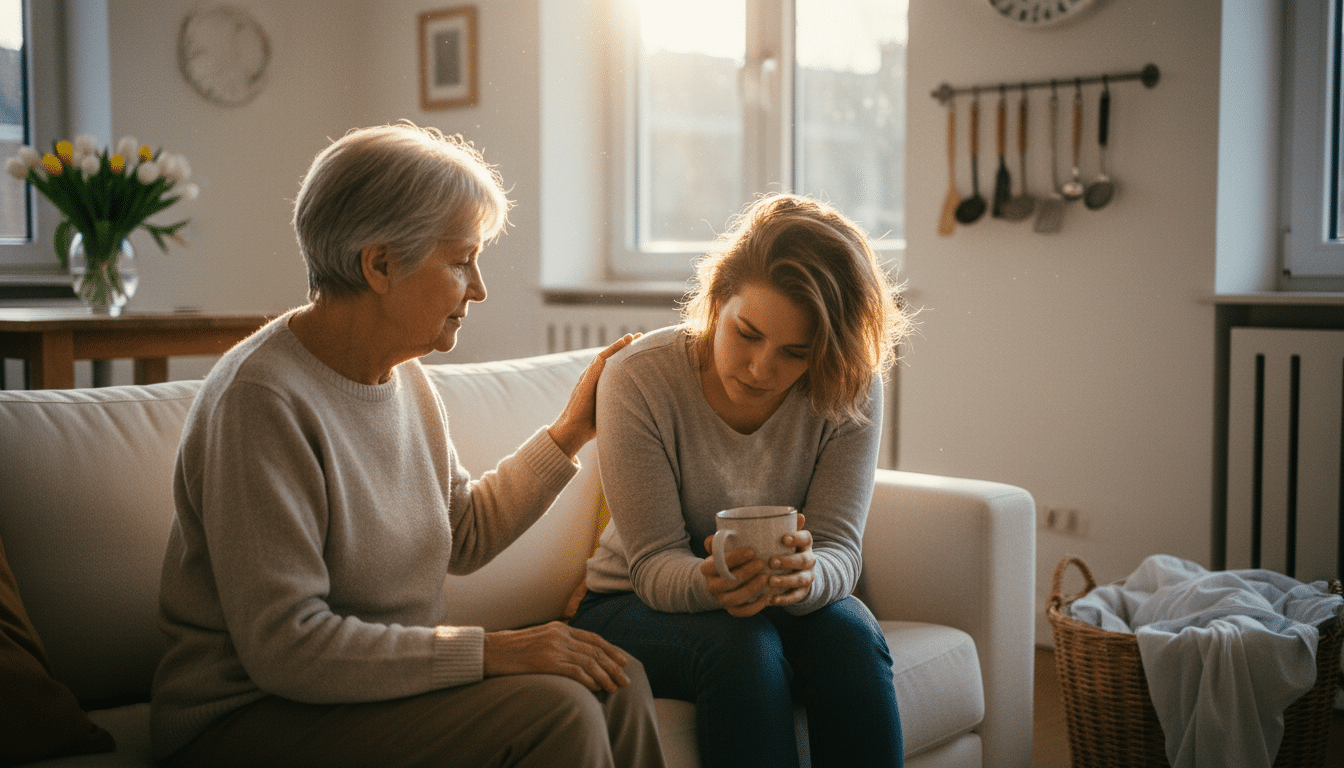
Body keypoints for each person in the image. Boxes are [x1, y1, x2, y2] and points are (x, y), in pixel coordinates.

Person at [150, 122, 665, 768]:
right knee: (558, 711)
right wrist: (492, 651)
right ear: (380, 264)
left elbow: (463, 533)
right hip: (247, 717)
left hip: (368, 696)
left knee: (617, 680)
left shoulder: (405, 378)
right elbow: (287, 646)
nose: (478, 288)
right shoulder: (260, 402)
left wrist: (571, 432)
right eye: (461, 261)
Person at [569, 192, 914, 768]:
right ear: (717, 299)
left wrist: (808, 577)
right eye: (747, 334)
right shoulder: (638, 380)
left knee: (851, 634)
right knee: (743, 644)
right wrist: (715, 585)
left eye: (795, 353)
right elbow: (652, 564)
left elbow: (839, 550)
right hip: (630, 601)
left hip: (778, 601)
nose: (760, 369)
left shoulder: (849, 386)